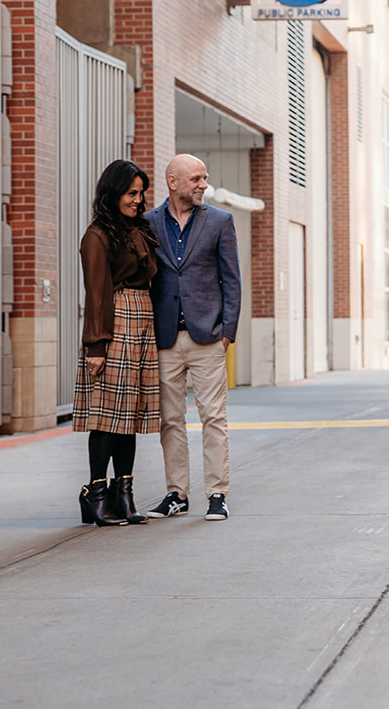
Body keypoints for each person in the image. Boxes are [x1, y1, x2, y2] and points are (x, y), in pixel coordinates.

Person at [144, 154, 242, 522]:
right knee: (170, 420)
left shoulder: (220, 221)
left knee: (214, 418)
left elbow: (232, 280)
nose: (203, 185)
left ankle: (217, 493)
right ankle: (176, 494)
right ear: (173, 182)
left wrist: (226, 334)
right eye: (196, 179)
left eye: (205, 179)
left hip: (207, 338)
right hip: (165, 337)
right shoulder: (148, 223)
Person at [76, 159, 162, 527]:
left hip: (143, 322)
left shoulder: (137, 229)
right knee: (108, 417)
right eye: (131, 193)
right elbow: (96, 294)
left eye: (141, 193)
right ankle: (96, 494)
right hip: (115, 323)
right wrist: (96, 346)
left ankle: (123, 494)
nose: (138, 200)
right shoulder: (97, 236)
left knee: (131, 417)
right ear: (113, 194)